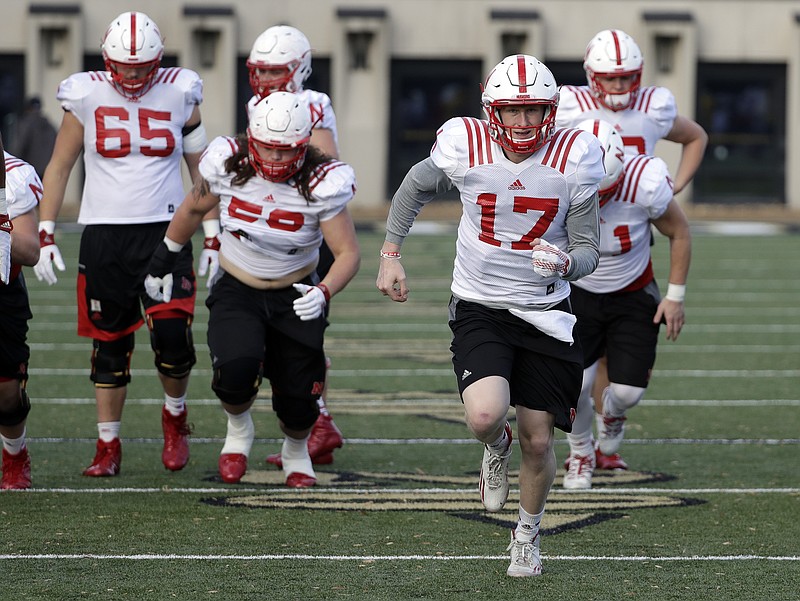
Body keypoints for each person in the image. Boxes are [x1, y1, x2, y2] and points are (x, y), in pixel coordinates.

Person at [376, 55, 604, 577]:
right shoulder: (465, 143)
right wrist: (390, 253)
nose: (524, 122)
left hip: (546, 309)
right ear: (490, 108)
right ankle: (494, 447)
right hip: (480, 302)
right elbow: (414, 185)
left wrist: (568, 262)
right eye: (513, 111)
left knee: (540, 440)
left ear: (551, 110)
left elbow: (590, 248)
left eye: (534, 111)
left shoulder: (576, 154)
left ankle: (527, 533)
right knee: (484, 417)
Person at [144, 91, 360, 488]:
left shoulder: (321, 179)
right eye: (267, 148)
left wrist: (324, 291)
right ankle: (239, 431)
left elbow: (347, 252)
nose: (276, 159)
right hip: (237, 286)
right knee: (233, 371)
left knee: (299, 395)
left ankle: (296, 449)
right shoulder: (229, 162)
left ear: (304, 144)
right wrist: (163, 257)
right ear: (251, 138)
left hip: (296, 291)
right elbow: (192, 208)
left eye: (286, 150)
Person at [34, 11, 210, 477]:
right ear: (106, 58)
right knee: (109, 347)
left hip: (166, 231)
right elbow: (59, 165)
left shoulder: (181, 90)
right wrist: (47, 230)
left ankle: (175, 417)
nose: (132, 75)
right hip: (104, 233)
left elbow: (203, 171)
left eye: (141, 66)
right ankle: (108, 446)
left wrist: (213, 233)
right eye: (123, 66)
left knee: (173, 339)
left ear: (160, 56)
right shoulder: (85, 93)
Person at [556, 28, 707, 470]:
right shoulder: (568, 107)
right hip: (580, 246)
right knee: (577, 379)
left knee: (619, 379)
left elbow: (694, 137)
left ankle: (605, 435)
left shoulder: (651, 120)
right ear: (590, 75)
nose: (620, 88)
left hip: (634, 224)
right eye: (611, 78)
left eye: (628, 78)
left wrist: (673, 186)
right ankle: (583, 451)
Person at [561, 119, 691, 489]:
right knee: (572, 386)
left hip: (632, 293)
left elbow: (679, 231)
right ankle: (582, 452)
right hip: (576, 294)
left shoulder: (643, 181)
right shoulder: (555, 175)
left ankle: (613, 411)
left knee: (628, 393)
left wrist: (675, 296)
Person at [245, 25, 345, 469]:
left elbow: (323, 166)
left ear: (299, 69)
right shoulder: (258, 105)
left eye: (274, 70)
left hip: (305, 232)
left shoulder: (312, 104)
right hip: (270, 230)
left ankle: (318, 422)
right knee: (276, 337)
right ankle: (317, 421)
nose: (264, 79)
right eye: (259, 70)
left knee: (297, 337)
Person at [0, 149, 42, 489]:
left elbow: (29, 250)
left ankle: (15, 452)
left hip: (2, 287)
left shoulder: (14, 174)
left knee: (7, 394)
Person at [11, 97, 57, 180]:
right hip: (47, 171)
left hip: (29, 172)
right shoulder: (50, 126)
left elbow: (19, 148)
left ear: (28, 108)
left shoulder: (26, 124)